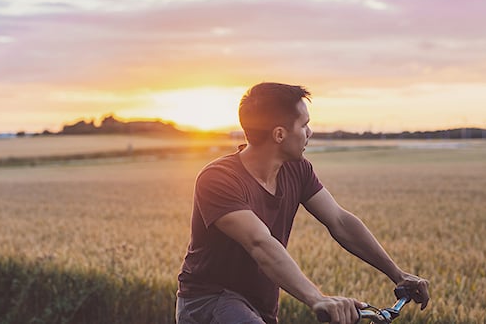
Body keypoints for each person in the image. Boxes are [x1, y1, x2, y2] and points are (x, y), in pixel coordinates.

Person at [176, 82, 430, 324]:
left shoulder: (297, 169)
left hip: (260, 305)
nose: (309, 132)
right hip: (208, 302)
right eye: (304, 125)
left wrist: (398, 275)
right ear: (279, 134)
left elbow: (339, 221)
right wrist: (317, 299)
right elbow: (259, 243)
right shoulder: (219, 179)